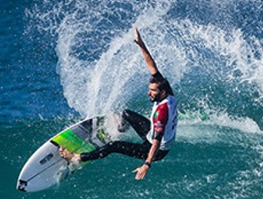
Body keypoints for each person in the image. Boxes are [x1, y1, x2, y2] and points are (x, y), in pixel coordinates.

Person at [59, 26, 178, 180]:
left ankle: (76, 158)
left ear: (161, 92)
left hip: (157, 150)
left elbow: (156, 142)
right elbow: (152, 66)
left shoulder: (162, 114)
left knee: (113, 146)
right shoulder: (168, 92)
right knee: (126, 114)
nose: (149, 93)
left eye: (153, 91)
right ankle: (120, 128)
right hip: (152, 134)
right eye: (150, 89)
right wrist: (142, 45)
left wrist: (146, 165)